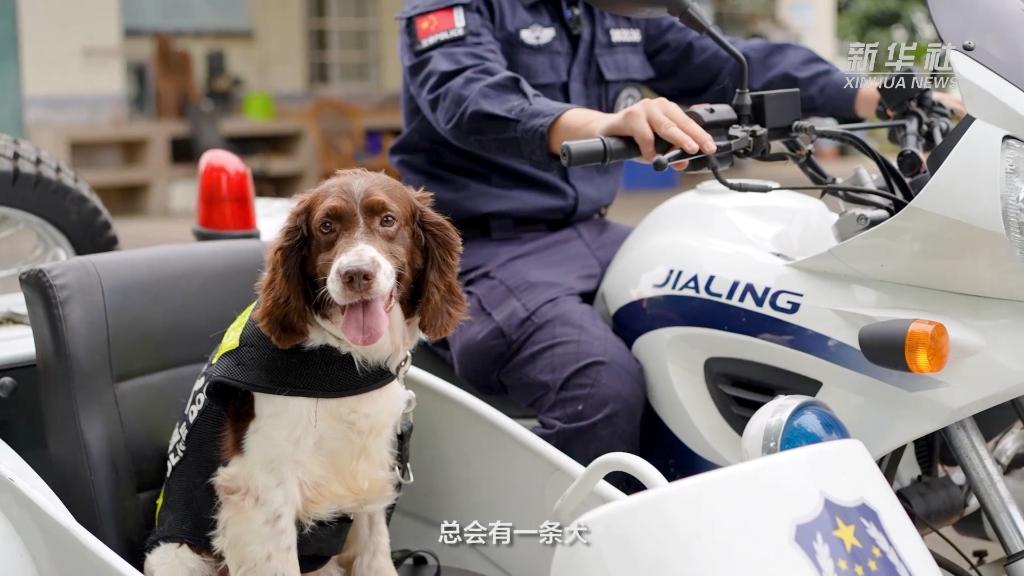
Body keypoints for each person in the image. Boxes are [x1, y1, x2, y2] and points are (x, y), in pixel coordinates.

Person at [389, 0, 959, 474]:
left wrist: (870, 95)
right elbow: (467, 95)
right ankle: (564, 547)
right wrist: (602, 124)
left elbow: (733, 62)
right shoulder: (460, 6)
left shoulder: (615, 9)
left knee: (757, 311)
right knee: (599, 386)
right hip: (481, 250)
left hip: (591, 231)